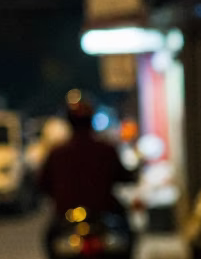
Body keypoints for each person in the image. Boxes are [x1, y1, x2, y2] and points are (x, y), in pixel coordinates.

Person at [38, 96, 135, 224]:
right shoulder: (106, 149)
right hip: (101, 210)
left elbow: (42, 183)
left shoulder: (57, 153)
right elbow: (123, 175)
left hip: (68, 213)